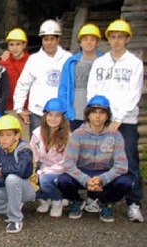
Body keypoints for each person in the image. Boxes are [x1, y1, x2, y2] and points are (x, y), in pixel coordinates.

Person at [86, 20, 143, 222]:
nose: (116, 41)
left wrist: (118, 117)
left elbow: (134, 93)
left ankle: (134, 203)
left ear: (127, 39)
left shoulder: (134, 64)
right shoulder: (99, 63)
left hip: (125, 120)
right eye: (113, 36)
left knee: (129, 161)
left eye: (121, 37)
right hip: (102, 119)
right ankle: (99, 198)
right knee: (100, 160)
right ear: (108, 39)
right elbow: (92, 90)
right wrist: (96, 115)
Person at [57, 96, 133, 223]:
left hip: (105, 172)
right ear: (88, 114)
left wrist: (102, 179)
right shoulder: (78, 134)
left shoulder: (115, 135)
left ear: (107, 116)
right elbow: (68, 164)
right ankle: (76, 200)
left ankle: (106, 202)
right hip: (83, 172)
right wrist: (86, 180)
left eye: (102, 112)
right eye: (94, 112)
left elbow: (121, 165)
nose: (98, 116)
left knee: (127, 182)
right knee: (62, 180)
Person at [13, 19, 72, 134]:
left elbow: (73, 86)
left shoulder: (68, 58)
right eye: (46, 39)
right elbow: (23, 84)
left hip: (61, 114)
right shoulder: (34, 59)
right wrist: (19, 108)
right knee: (38, 148)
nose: (49, 42)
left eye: (52, 39)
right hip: (38, 113)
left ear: (58, 39)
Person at [57, 24, 103, 131]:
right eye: (85, 39)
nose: (88, 42)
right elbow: (63, 87)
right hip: (75, 111)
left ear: (97, 42)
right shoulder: (71, 62)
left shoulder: (104, 61)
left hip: (98, 111)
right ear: (80, 42)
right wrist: (64, 109)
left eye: (92, 39)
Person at [30, 98, 69, 218]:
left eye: (57, 116)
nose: (53, 119)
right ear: (45, 116)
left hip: (62, 170)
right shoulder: (37, 133)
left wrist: (43, 172)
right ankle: (44, 199)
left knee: (44, 179)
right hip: (44, 167)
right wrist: (31, 171)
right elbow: (33, 155)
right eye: (50, 115)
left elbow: (66, 162)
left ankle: (57, 201)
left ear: (62, 118)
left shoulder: (68, 137)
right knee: (29, 177)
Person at [0, 28, 31, 117]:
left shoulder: (32, 61)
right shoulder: (3, 63)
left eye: (18, 44)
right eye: (11, 44)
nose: (15, 48)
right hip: (8, 109)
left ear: (24, 45)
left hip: (27, 109)